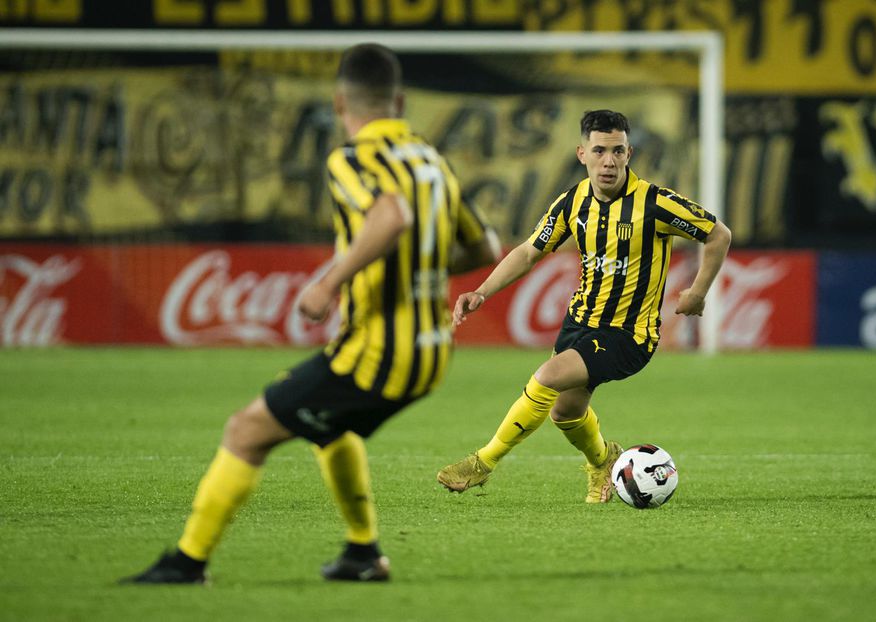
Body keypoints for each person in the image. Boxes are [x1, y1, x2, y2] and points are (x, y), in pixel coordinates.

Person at [122, 43, 498, 584]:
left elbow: (389, 216)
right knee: (331, 429)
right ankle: (362, 554)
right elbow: (484, 246)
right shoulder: (431, 162)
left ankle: (187, 562)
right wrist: (419, 271)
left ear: (339, 100)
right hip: (431, 350)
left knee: (245, 430)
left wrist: (328, 283)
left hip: (378, 352)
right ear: (399, 100)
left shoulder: (351, 158)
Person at [437, 109, 731, 503]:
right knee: (565, 413)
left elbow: (718, 234)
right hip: (579, 324)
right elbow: (528, 252)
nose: (608, 161)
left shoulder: (656, 203)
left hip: (629, 335)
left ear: (629, 154)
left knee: (546, 376)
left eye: (618, 151)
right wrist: (482, 291)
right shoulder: (572, 202)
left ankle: (483, 463)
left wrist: (698, 291)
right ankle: (604, 461)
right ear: (582, 154)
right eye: (599, 151)